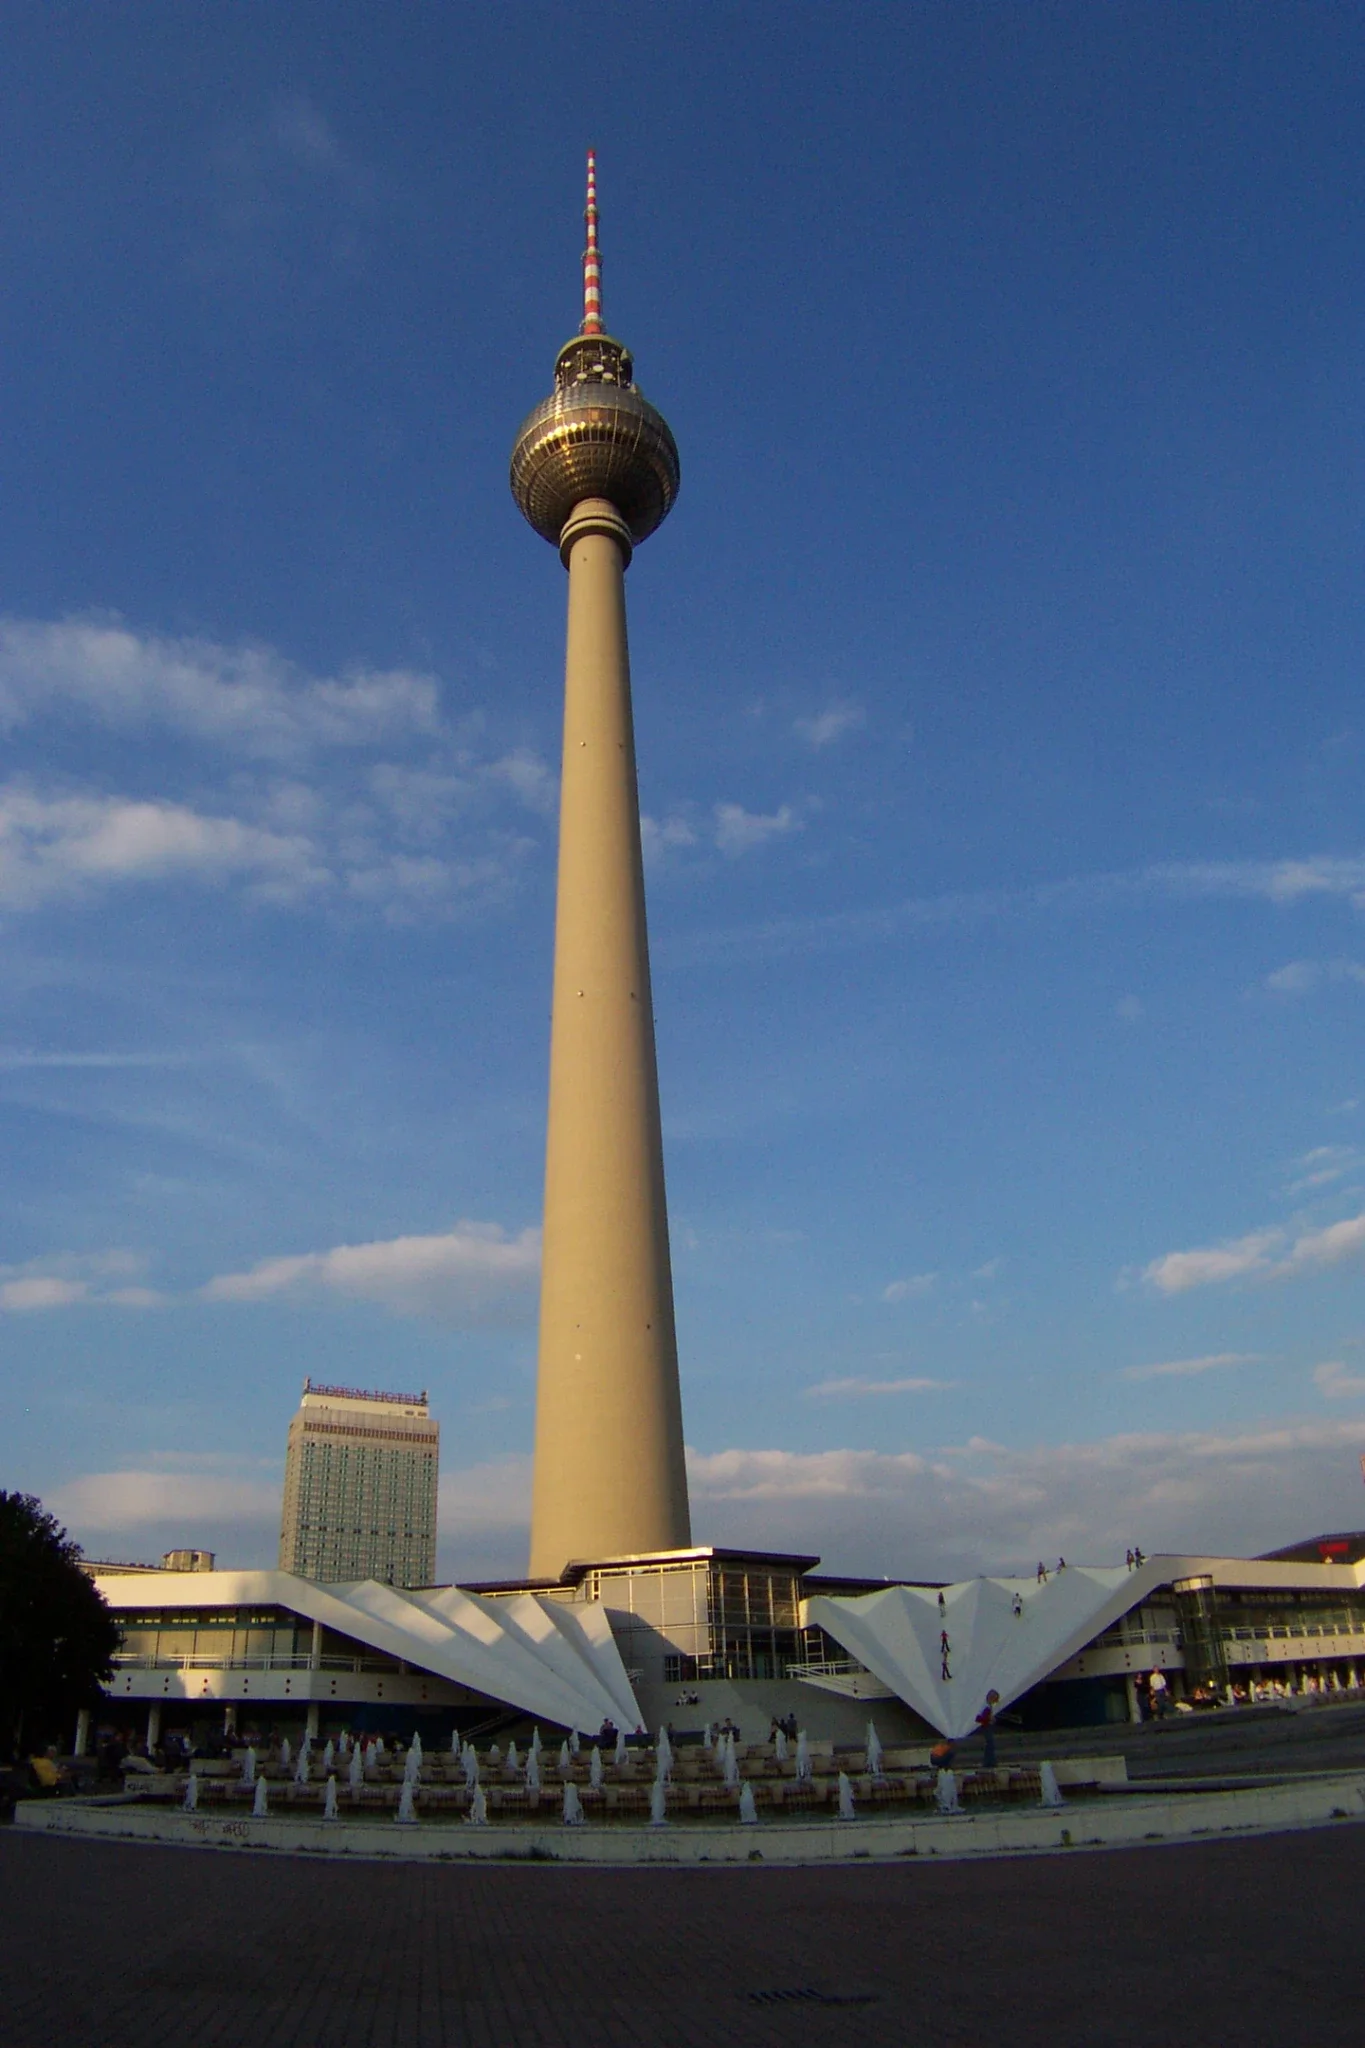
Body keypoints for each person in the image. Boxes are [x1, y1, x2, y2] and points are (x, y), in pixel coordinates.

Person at [975, 1691, 1001, 1769]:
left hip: (987, 1726)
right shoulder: (986, 1707)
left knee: (990, 1744)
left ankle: (990, 1761)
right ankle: (989, 1762)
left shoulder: (987, 1706)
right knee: (990, 1744)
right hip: (986, 1727)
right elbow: (979, 1718)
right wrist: (990, 1719)